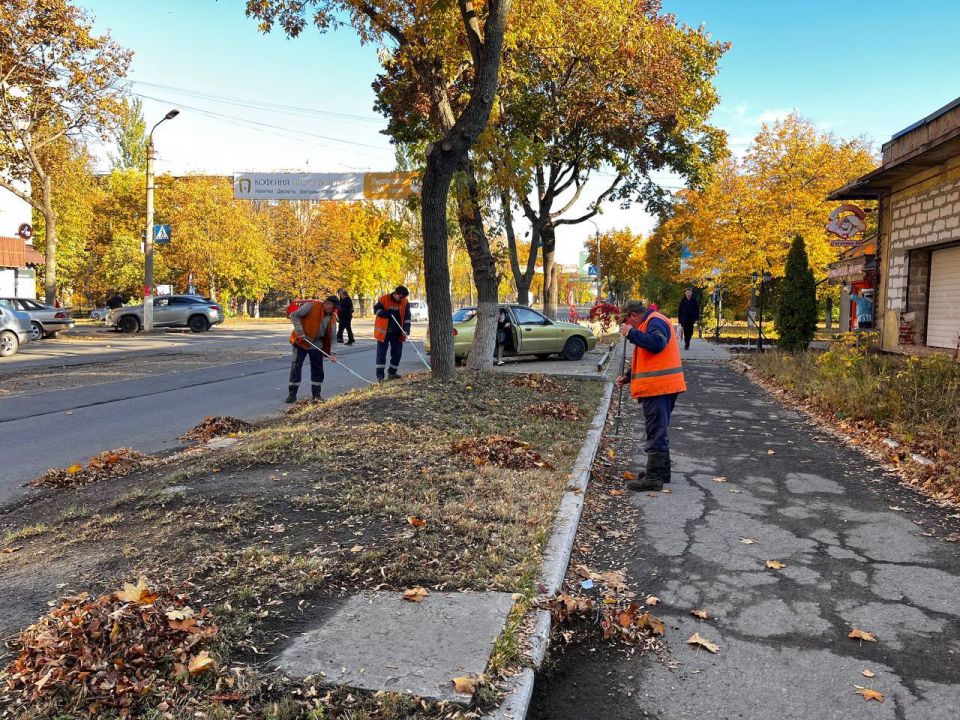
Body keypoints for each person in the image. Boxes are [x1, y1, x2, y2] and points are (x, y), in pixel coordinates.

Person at [615, 299, 687, 491]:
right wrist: (629, 376)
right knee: (658, 428)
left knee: (656, 429)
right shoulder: (650, 322)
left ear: (633, 316)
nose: (627, 326)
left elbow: (656, 344)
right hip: (662, 385)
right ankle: (662, 472)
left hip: (660, 386)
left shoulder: (654, 322)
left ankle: (654, 478)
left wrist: (631, 333)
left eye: (627, 321)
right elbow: (648, 356)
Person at [287, 295, 339, 403]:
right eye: (332, 307)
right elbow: (294, 316)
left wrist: (333, 353)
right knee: (296, 366)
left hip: (317, 344)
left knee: (317, 369)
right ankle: (292, 393)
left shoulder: (332, 317)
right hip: (301, 341)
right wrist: (300, 332)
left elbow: (333, 337)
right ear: (327, 303)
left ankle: (316, 395)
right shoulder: (311, 306)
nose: (333, 310)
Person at [374, 285, 411, 382]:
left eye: (403, 297)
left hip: (397, 332)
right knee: (381, 354)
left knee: (397, 353)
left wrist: (406, 330)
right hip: (384, 332)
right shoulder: (384, 299)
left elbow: (407, 318)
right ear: (395, 294)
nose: (401, 299)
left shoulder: (405, 302)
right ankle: (380, 377)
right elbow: (376, 310)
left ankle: (392, 372)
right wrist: (386, 313)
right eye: (400, 297)